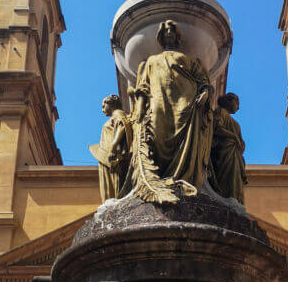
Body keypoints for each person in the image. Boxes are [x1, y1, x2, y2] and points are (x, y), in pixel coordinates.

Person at [125, 20, 214, 202]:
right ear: (160, 36)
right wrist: (140, 111)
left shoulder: (188, 60)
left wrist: (205, 93)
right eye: (165, 31)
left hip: (187, 105)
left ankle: (182, 177)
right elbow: (143, 87)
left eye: (172, 31)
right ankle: (161, 177)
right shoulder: (151, 61)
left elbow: (203, 82)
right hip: (158, 103)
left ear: (178, 36)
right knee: (157, 131)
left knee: (187, 141)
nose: (168, 34)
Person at [89, 94, 132, 201]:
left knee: (114, 182)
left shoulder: (118, 113)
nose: (102, 109)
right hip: (106, 155)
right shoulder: (114, 116)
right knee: (109, 183)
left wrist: (113, 147)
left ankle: (116, 200)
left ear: (111, 104)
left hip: (113, 156)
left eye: (104, 106)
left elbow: (123, 125)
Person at [211, 92, 247, 204]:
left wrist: (239, 142)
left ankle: (235, 200)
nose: (238, 107)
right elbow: (216, 128)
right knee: (225, 178)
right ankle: (224, 198)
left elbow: (241, 143)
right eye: (237, 103)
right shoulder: (220, 112)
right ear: (230, 101)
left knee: (235, 179)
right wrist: (234, 136)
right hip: (223, 153)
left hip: (235, 156)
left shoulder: (235, 123)